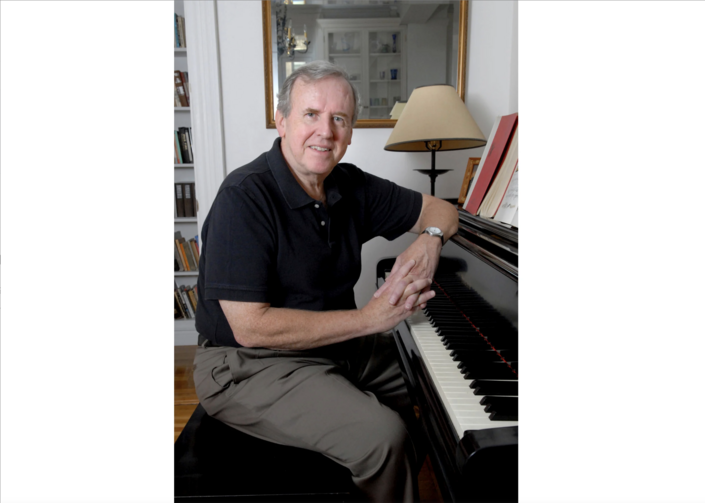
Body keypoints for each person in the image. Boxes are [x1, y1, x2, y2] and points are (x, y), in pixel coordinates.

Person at [193, 60, 458, 502]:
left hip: (331, 345)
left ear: (352, 131)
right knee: (383, 437)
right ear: (281, 121)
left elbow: (444, 212)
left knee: (433, 387)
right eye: (310, 115)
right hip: (245, 363)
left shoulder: (349, 185)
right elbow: (250, 327)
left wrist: (428, 241)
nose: (326, 131)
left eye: (339, 119)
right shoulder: (244, 196)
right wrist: (371, 318)